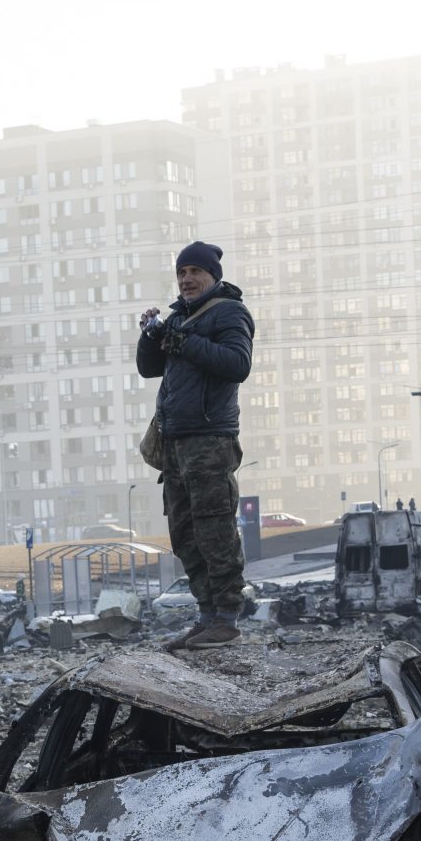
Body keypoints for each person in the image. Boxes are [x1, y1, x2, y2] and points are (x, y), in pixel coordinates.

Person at [136, 241, 254, 649]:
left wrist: (183, 340)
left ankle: (227, 618)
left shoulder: (229, 312)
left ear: (212, 277)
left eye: (194, 272)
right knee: (184, 532)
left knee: (215, 529)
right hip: (175, 444)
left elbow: (238, 365)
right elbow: (149, 369)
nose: (186, 279)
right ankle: (206, 616)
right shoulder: (179, 318)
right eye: (181, 272)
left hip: (209, 440)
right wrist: (153, 336)